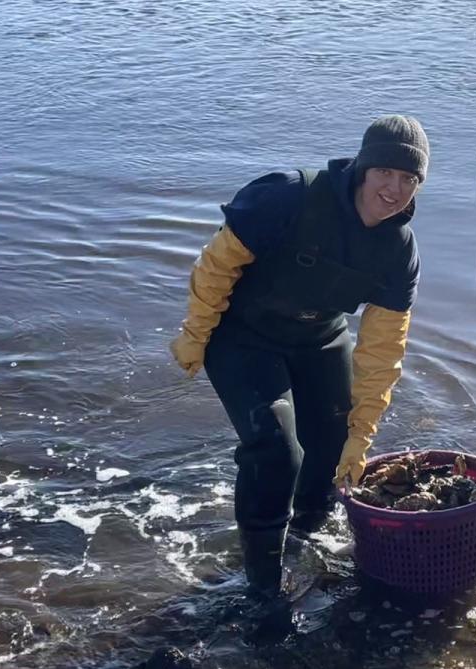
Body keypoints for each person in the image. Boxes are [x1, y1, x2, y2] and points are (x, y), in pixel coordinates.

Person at [170, 115, 429, 596]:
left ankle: (307, 540)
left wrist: (363, 431)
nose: (394, 189)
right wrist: (196, 330)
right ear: (362, 168)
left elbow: (384, 349)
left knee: (332, 453)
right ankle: (263, 585)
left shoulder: (399, 250)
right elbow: (217, 265)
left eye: (409, 179)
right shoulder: (287, 196)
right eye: (385, 173)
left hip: (320, 339)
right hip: (244, 336)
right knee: (275, 452)